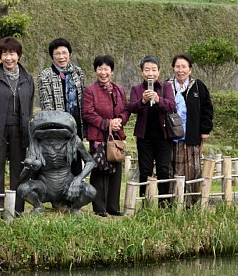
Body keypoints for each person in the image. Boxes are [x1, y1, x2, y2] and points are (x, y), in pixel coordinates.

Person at [0, 36, 34, 215]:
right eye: (4, 54)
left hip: (20, 130)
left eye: (12, 53)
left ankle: (16, 208)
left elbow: (29, 105)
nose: (8, 58)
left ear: (18, 55)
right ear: (0, 56)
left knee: (18, 170)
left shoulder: (27, 78)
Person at [126, 55, 176, 205]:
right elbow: (132, 107)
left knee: (163, 170)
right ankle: (145, 203)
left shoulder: (166, 87)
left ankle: (164, 204)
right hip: (144, 137)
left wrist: (158, 99)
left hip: (163, 136)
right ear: (142, 72)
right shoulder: (136, 89)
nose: (150, 73)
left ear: (159, 72)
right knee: (145, 170)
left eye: (154, 70)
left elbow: (172, 106)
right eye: (147, 70)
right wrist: (143, 101)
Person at [82, 55, 128, 217]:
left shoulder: (119, 90)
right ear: (95, 71)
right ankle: (99, 207)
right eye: (100, 68)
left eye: (106, 68)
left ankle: (113, 206)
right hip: (99, 137)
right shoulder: (90, 91)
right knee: (100, 170)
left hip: (115, 138)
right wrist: (107, 123)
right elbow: (88, 113)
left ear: (112, 71)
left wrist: (119, 121)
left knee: (115, 169)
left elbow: (125, 110)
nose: (103, 72)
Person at [168, 53, 214, 205]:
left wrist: (205, 130)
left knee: (192, 170)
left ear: (190, 69)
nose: (180, 70)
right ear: (173, 68)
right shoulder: (167, 86)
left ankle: (191, 203)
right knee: (171, 168)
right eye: (177, 66)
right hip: (171, 137)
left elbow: (207, 109)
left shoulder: (198, 86)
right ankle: (172, 201)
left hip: (191, 137)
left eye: (184, 67)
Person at [37, 38, 85, 175]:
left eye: (64, 53)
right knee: (59, 164)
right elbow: (46, 106)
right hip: (58, 128)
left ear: (70, 54)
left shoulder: (78, 73)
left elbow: (82, 99)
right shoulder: (45, 75)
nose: (61, 57)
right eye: (57, 53)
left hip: (76, 126)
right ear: (52, 56)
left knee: (76, 162)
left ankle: (75, 193)